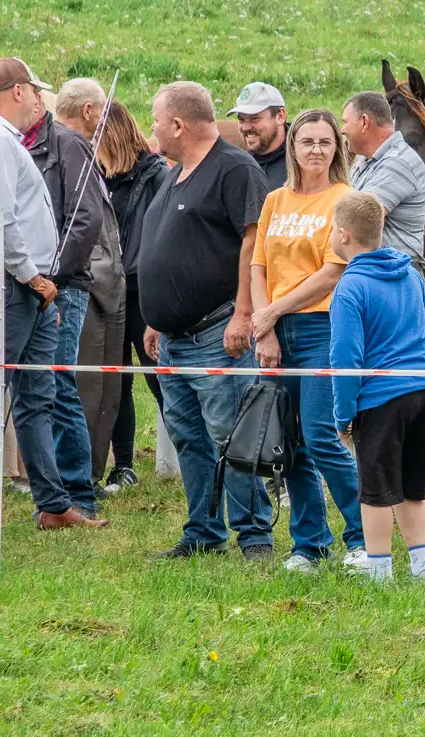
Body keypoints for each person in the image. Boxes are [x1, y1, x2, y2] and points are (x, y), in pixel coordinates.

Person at [0, 57, 103, 531]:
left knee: (36, 395)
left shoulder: (1, 138)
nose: (39, 99)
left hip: (25, 285)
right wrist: (33, 277)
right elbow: (0, 219)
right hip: (13, 284)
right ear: (19, 92)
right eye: (35, 90)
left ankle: (53, 504)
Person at [138, 82, 270, 558]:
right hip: (174, 339)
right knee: (189, 439)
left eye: (156, 121)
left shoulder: (234, 168)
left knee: (231, 435)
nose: (152, 129)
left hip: (217, 333)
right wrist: (157, 318)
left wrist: (244, 314)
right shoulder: (176, 173)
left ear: (178, 125)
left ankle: (254, 534)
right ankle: (203, 532)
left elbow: (254, 243)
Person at [249, 108, 366, 572]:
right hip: (274, 332)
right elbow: (258, 266)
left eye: (325, 142)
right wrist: (265, 326)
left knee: (320, 436)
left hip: (321, 327)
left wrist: (272, 311)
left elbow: (333, 271)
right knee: (287, 441)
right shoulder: (274, 200)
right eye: (307, 141)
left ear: (337, 148)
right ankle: (309, 544)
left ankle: (363, 538)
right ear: (292, 147)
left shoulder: (344, 199)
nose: (316, 150)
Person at [328, 191, 425, 583]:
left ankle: (379, 571)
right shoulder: (412, 274)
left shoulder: (350, 287)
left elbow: (346, 359)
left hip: (382, 400)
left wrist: (343, 415)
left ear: (343, 235)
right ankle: (423, 567)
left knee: (376, 492)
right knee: (413, 489)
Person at [25, 78, 107, 520]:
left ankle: (76, 494)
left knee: (56, 385)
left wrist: (52, 275)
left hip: (60, 284)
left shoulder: (63, 144)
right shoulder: (62, 142)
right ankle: (59, 493)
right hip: (48, 283)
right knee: (46, 386)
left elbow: (84, 219)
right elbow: (79, 218)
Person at [52, 78, 127, 496]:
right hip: (83, 284)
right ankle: (76, 482)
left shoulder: (71, 146)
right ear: (88, 111)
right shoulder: (72, 144)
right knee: (79, 388)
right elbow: (81, 223)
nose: (104, 121)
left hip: (98, 284)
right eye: (102, 112)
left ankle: (85, 476)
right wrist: (62, 275)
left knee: (100, 388)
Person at [97, 101, 167, 490]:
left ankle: (196, 458)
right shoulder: (96, 176)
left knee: (159, 379)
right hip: (108, 290)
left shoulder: (155, 175)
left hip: (143, 291)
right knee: (116, 380)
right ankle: (123, 464)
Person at [342, 91, 425, 267]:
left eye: (345, 122)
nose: (342, 130)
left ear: (364, 122)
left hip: (390, 274)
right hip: (376, 270)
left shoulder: (399, 162)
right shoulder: (364, 160)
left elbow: (357, 219)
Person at [230, 82, 289, 189]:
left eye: (254, 118)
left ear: (280, 117)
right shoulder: (239, 165)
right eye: (241, 119)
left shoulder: (303, 160)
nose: (246, 127)